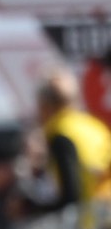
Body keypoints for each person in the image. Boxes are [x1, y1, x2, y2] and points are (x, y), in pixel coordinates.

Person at [33, 68, 110, 213]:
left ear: (46, 106)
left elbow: (71, 197)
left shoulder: (61, 135)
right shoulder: (95, 126)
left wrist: (32, 209)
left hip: (93, 225)